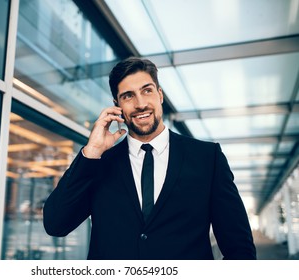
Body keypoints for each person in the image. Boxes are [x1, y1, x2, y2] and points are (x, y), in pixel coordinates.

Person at [43, 57, 256, 260]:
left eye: (147, 91)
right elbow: (56, 224)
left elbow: (239, 247)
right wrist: (90, 153)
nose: (140, 103)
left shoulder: (207, 159)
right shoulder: (99, 164)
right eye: (128, 96)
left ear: (160, 95)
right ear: (117, 105)